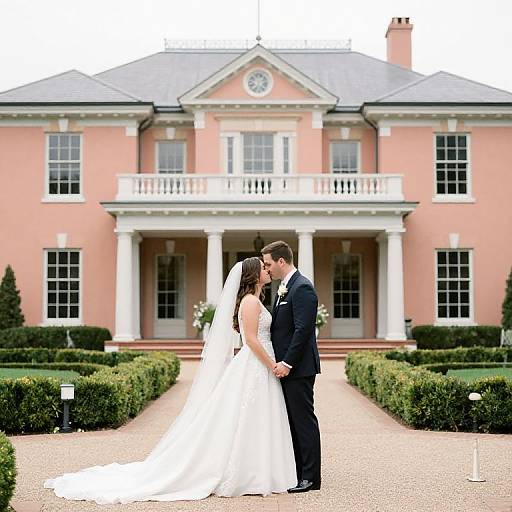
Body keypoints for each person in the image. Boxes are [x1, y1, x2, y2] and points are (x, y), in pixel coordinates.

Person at [44, 257, 296, 504]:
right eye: (263, 267)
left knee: (252, 419)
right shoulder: (251, 302)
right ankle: (249, 474)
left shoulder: (254, 299)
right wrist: (272, 364)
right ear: (253, 275)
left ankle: (255, 470)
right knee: (245, 418)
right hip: (256, 364)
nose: (267, 269)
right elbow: (251, 340)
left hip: (256, 366)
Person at [261, 241, 321, 493]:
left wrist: (287, 363)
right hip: (287, 367)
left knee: (303, 422)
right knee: (293, 422)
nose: (267, 269)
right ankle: (298, 471)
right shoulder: (284, 287)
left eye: (268, 264)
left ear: (281, 261)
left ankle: (311, 478)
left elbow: (303, 330)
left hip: (299, 368)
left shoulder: (302, 287)